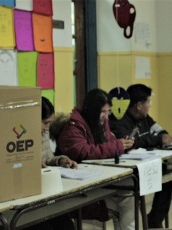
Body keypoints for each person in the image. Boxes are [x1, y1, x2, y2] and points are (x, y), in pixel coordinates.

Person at [56, 89, 135, 230]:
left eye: (108, 112)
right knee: (126, 201)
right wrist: (116, 146)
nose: (106, 116)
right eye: (103, 112)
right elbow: (84, 152)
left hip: (99, 182)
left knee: (129, 192)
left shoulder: (101, 124)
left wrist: (124, 145)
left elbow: (109, 143)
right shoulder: (73, 128)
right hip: (81, 190)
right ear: (93, 111)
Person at [109, 84, 172, 228]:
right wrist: (155, 140)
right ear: (139, 105)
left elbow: (162, 131)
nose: (150, 106)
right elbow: (128, 143)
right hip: (129, 170)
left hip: (145, 164)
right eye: (148, 102)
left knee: (168, 174)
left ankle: (155, 219)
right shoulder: (119, 120)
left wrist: (162, 136)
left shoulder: (144, 118)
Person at [23, 97, 76, 230]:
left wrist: (60, 161)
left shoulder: (44, 133)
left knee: (67, 224)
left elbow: (48, 159)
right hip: (29, 196)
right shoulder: (18, 137)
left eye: (49, 123)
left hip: (45, 192)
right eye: (45, 123)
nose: (47, 128)